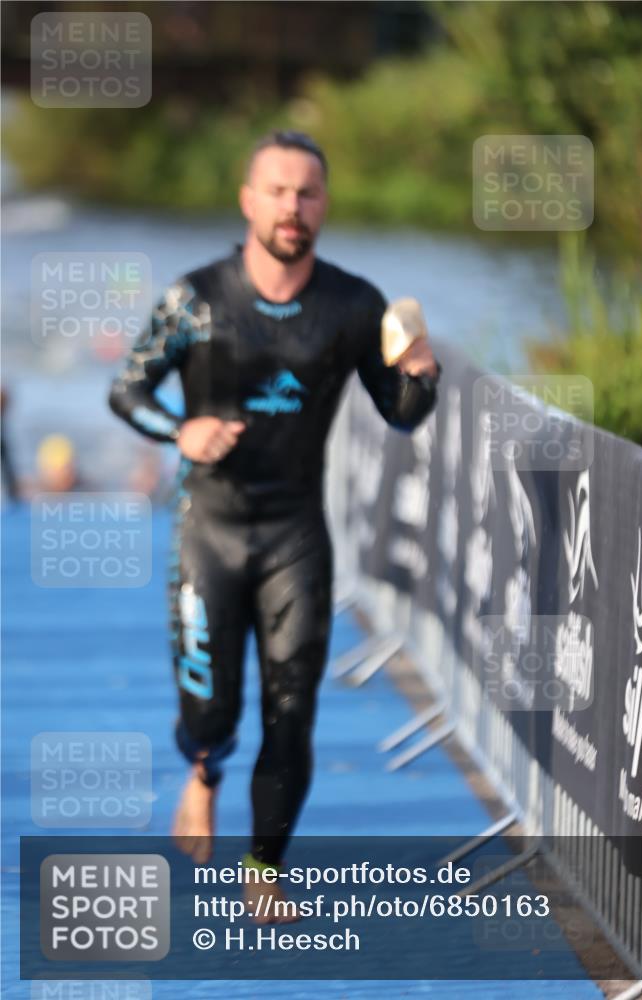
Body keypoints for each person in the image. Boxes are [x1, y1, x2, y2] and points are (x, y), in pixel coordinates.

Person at [108, 130, 441, 923]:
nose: (293, 207)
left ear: (324, 205)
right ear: (248, 200)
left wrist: (423, 376)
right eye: (278, 191)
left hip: (295, 536)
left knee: (291, 709)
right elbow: (127, 390)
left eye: (308, 193)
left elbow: (400, 416)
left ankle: (265, 865)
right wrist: (176, 433)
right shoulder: (195, 298)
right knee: (209, 715)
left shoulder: (353, 305)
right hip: (208, 531)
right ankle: (202, 773)